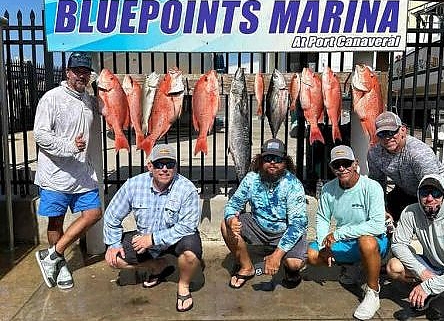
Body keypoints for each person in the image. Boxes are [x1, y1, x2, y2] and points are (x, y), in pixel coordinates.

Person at [103, 144, 202, 313]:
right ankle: (157, 265)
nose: (164, 169)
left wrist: (153, 239)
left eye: (169, 164)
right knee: (114, 259)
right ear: (150, 166)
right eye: (159, 164)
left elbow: (187, 226)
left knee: (191, 254)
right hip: (145, 240)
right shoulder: (133, 185)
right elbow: (112, 216)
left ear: (176, 167)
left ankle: (183, 286)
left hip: (175, 239)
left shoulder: (187, 189)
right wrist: (113, 244)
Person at [34, 52, 102, 290]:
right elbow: (40, 135)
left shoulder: (88, 99)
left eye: (85, 72)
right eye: (77, 71)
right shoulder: (51, 98)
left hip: (83, 174)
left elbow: (109, 108)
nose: (81, 76)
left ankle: (53, 254)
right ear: (68, 72)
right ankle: (60, 264)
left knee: (93, 213)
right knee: (56, 221)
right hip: (55, 174)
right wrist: (69, 146)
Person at [307, 145, 389, 320]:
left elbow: (377, 226)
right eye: (337, 165)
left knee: (366, 242)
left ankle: (373, 292)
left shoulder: (372, 187)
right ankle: (353, 268)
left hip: (373, 240)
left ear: (355, 163)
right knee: (313, 254)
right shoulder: (328, 189)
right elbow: (322, 218)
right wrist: (323, 244)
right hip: (346, 241)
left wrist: (339, 233)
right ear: (332, 168)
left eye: (346, 163)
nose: (342, 168)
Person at [221, 138, 308, 289]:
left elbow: (297, 225)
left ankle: (289, 269)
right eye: (268, 158)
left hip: (285, 230)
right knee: (224, 225)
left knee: (294, 264)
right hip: (257, 225)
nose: (272, 162)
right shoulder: (251, 179)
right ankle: (247, 267)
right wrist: (231, 220)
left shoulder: (294, 185)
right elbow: (233, 205)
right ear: (260, 161)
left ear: (285, 162)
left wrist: (277, 256)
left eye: (277, 159)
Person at [368, 111, 444, 223]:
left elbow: (433, 187)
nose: (387, 138)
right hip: (407, 190)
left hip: (439, 192)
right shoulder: (374, 153)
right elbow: (376, 185)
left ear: (403, 130)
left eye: (392, 132)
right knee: (378, 217)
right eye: (382, 134)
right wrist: (382, 210)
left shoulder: (419, 153)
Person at [386, 174, 444, 315]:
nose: (429, 199)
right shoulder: (411, 211)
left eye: (436, 193)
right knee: (393, 267)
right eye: (424, 193)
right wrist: (422, 272)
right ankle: (436, 288)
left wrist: (428, 286)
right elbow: (398, 244)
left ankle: (433, 290)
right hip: (433, 265)